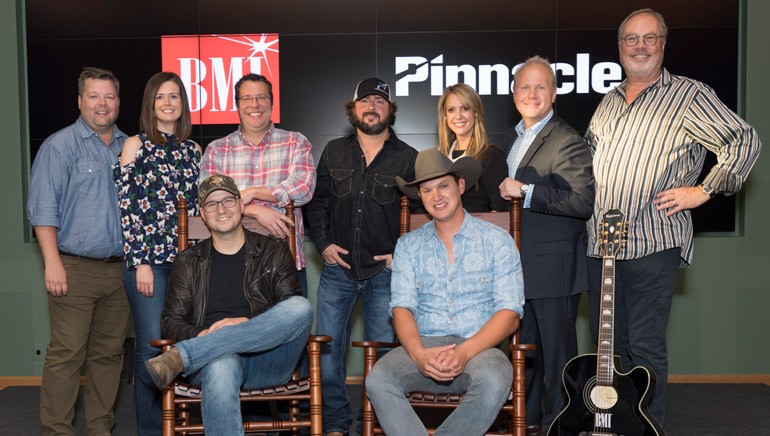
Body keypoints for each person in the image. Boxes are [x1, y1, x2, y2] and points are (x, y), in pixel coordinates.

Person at [584, 8, 761, 425]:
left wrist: (704, 190)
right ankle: (611, 427)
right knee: (607, 349)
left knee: (643, 347)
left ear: (663, 44)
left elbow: (743, 139)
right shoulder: (607, 103)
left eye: (649, 38)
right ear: (619, 47)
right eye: (631, 39)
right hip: (601, 246)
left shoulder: (689, 95)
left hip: (652, 240)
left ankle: (647, 429)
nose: (639, 46)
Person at [365, 148, 525, 435]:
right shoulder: (408, 246)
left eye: (443, 186)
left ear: (460, 186)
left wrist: (464, 352)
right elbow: (401, 307)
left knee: (496, 376)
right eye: (427, 190)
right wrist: (418, 354)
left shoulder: (497, 241)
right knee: (378, 379)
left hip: (479, 347)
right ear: (420, 198)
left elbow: (510, 313)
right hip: (423, 345)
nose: (436, 196)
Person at [144, 174, 313, 435]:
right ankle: (202, 349)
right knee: (222, 364)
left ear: (240, 205)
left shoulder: (273, 251)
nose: (221, 209)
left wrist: (245, 323)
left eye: (228, 200)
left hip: (268, 358)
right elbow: (171, 321)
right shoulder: (187, 261)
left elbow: (288, 309)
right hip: (213, 359)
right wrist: (203, 336)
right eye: (211, 204)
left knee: (300, 306)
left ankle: (185, 355)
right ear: (202, 213)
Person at [305, 77, 418, 436]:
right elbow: (317, 203)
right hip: (337, 269)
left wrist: (401, 252)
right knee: (327, 353)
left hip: (385, 274)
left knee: (385, 357)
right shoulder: (334, 151)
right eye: (365, 101)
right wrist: (322, 243)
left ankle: (376, 423)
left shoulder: (409, 158)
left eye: (380, 101)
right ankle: (336, 423)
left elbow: (423, 214)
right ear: (353, 110)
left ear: (391, 111)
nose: (372, 107)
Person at [27, 66, 131, 436]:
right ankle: (57, 431)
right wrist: (52, 263)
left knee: (108, 357)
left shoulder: (129, 146)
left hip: (121, 272)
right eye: (94, 96)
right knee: (67, 356)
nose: (102, 104)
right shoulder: (60, 146)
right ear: (80, 101)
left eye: (109, 96)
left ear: (118, 102)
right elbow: (43, 209)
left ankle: (100, 429)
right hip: (73, 268)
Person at [497, 55, 595, 435]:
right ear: (513, 93)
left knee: (557, 361)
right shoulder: (512, 138)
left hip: (554, 273)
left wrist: (526, 191)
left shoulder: (567, 139)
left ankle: (561, 427)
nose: (532, 94)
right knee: (526, 360)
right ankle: (529, 424)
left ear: (554, 94)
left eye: (541, 87)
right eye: (525, 86)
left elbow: (582, 201)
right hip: (516, 270)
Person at [113, 71, 201, 436]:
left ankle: (180, 425)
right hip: (150, 264)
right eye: (160, 97)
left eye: (175, 96)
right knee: (152, 347)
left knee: (186, 346)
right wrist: (141, 263)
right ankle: (152, 431)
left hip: (188, 267)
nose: (168, 103)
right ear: (150, 104)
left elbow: (201, 214)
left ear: (183, 104)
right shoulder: (135, 144)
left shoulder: (194, 151)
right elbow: (128, 208)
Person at [200, 73, 315, 296]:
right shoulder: (217, 149)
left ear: (272, 103)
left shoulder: (295, 141)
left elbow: (303, 188)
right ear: (237, 105)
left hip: (286, 265)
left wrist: (253, 193)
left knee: (291, 331)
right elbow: (209, 201)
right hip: (231, 267)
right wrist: (254, 210)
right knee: (233, 331)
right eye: (247, 98)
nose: (255, 104)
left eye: (261, 97)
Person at [437, 83, 510, 212]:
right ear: (445, 117)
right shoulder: (438, 158)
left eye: (465, 108)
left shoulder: (491, 156)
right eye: (451, 110)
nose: (458, 116)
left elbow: (500, 212)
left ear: (476, 113)